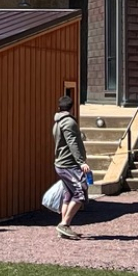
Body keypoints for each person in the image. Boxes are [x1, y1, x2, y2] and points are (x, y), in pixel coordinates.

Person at [51, 93, 89, 240]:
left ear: (59, 107)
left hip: (61, 164)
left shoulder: (58, 123)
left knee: (68, 195)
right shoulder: (69, 123)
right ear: (72, 108)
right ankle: (64, 224)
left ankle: (63, 226)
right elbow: (72, 143)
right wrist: (81, 162)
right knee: (80, 192)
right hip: (69, 165)